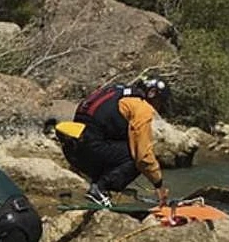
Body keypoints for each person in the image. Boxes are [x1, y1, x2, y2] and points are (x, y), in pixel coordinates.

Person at [70, 77, 171, 208]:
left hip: (74, 150)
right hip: (91, 149)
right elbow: (143, 156)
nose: (159, 107)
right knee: (136, 157)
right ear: (152, 94)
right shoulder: (140, 107)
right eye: (160, 102)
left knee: (121, 143)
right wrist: (158, 184)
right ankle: (100, 190)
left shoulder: (116, 91)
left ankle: (99, 187)